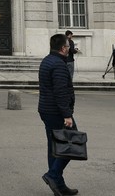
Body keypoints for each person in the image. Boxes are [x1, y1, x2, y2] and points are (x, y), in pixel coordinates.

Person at [38, 33, 79, 196]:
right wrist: (67, 115)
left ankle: (59, 185)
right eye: (69, 47)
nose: (70, 49)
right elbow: (61, 92)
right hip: (56, 111)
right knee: (72, 144)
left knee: (54, 147)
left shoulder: (47, 60)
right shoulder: (59, 65)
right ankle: (53, 175)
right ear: (63, 48)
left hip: (46, 109)